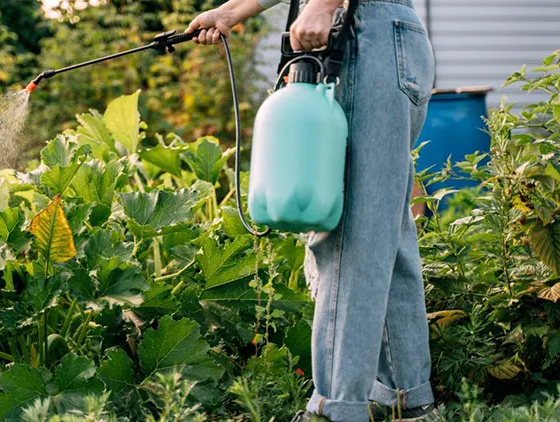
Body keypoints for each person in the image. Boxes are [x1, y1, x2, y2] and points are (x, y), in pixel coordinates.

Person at [186, 0, 437, 421]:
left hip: (364, 32)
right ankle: (407, 397)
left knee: (349, 235)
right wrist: (231, 12)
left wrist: (322, 4)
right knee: (382, 228)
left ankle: (335, 410)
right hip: (390, 37)